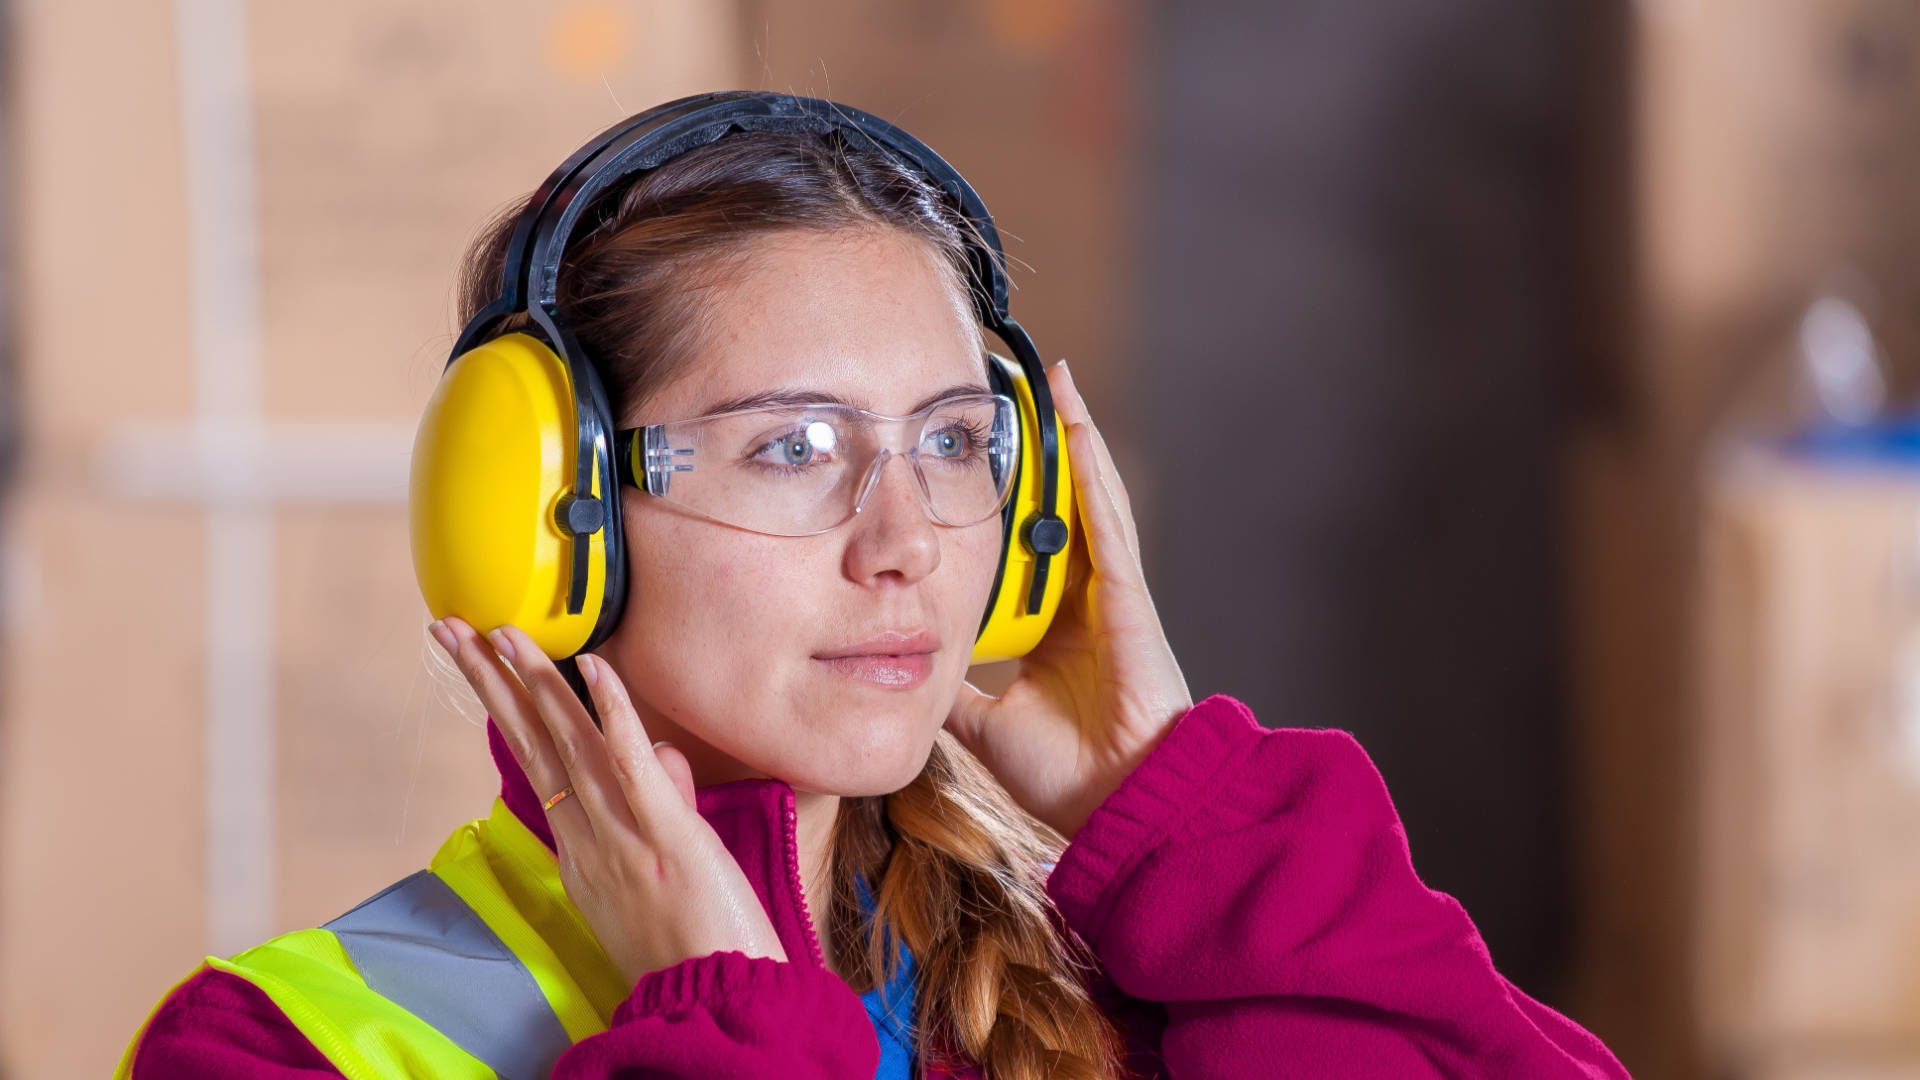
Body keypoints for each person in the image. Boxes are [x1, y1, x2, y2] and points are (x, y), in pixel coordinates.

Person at [114, 108, 1630, 1080]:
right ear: (541, 520)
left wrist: (1195, 832)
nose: (905, 539)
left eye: (958, 443)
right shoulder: (276, 1049)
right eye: (793, 446)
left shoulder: (1128, 985)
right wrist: (720, 1021)